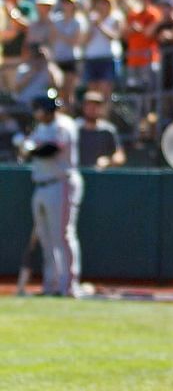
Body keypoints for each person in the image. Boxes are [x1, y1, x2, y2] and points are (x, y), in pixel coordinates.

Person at [23, 91, 80, 297]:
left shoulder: (63, 125)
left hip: (61, 183)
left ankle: (69, 286)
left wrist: (29, 149)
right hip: (41, 184)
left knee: (63, 236)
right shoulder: (41, 127)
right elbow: (27, 149)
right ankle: (52, 285)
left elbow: (49, 150)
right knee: (47, 239)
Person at [75, 93, 122, 169]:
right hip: (77, 174)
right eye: (89, 105)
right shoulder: (74, 128)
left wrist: (108, 161)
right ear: (83, 107)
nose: (92, 109)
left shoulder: (108, 130)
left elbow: (120, 156)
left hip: (100, 175)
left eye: (96, 106)